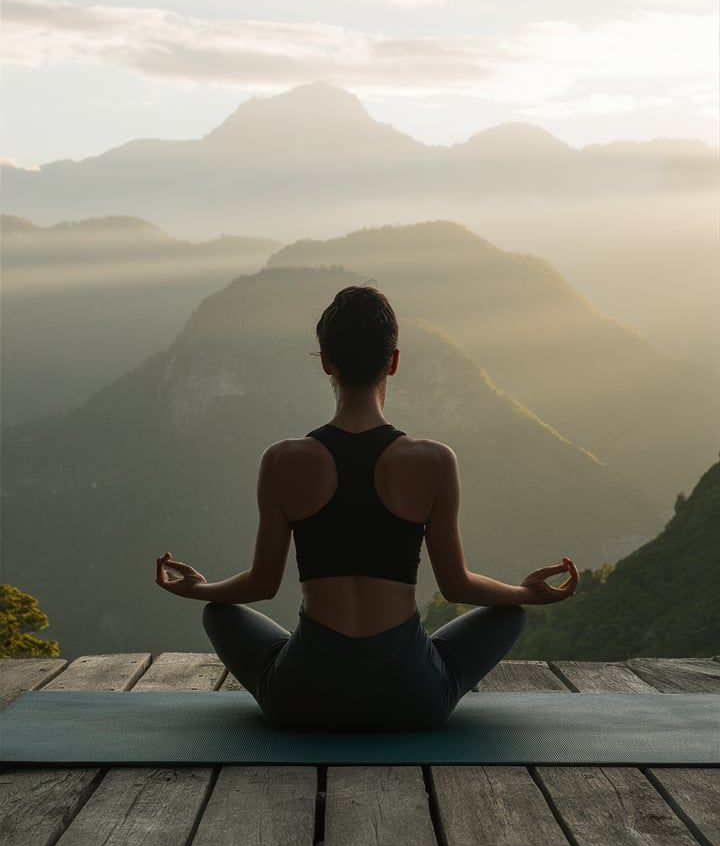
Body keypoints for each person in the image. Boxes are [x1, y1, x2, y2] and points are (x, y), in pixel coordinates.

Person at [155, 283, 578, 731]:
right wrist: (526, 594)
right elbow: (456, 586)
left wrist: (198, 589)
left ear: (325, 362)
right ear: (393, 361)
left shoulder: (281, 460)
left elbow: (262, 584)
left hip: (302, 698)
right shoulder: (434, 461)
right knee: (508, 616)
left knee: (218, 612)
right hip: (411, 698)